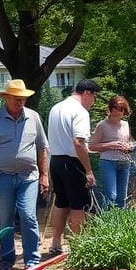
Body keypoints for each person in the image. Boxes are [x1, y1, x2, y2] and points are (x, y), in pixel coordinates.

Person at [0, 79, 49, 270]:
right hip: (2, 177)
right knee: (4, 219)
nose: (20, 102)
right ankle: (7, 258)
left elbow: (42, 148)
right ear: (6, 97)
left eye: (23, 98)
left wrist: (44, 175)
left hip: (29, 177)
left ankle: (32, 258)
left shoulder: (33, 117)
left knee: (28, 215)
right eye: (16, 98)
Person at [46, 79, 99, 255]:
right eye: (94, 97)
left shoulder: (56, 108)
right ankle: (79, 247)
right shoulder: (80, 111)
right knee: (78, 205)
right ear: (87, 93)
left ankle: (55, 242)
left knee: (61, 203)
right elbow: (79, 142)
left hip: (55, 161)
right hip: (72, 163)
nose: (93, 102)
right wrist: (89, 170)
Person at [90, 95, 135, 209]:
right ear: (110, 110)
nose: (118, 114)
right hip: (108, 163)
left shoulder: (125, 124)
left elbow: (129, 141)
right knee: (111, 195)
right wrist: (111, 145)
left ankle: (119, 223)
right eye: (115, 111)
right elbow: (92, 146)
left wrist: (129, 147)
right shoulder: (102, 125)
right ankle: (106, 220)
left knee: (122, 197)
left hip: (125, 162)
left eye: (121, 111)